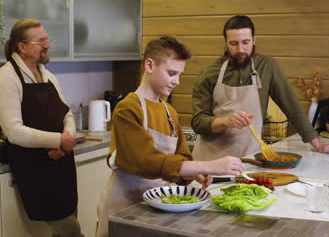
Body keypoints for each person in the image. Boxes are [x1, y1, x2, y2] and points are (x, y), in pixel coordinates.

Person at [96, 36, 244, 237]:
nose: (177, 81)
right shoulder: (127, 109)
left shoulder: (170, 112)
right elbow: (147, 161)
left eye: (180, 75)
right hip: (124, 205)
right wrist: (211, 166)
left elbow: (180, 158)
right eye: (172, 73)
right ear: (149, 65)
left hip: (158, 207)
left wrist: (192, 174)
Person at [191, 15, 329, 160]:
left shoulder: (266, 66)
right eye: (233, 43)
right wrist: (226, 122)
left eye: (245, 42)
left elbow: (291, 106)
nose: (240, 50)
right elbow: (198, 122)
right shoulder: (209, 73)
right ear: (225, 42)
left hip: (249, 159)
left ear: (254, 40)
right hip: (210, 161)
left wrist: (318, 145)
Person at [0, 19, 84, 237]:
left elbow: (66, 113)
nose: (47, 45)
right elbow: (14, 132)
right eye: (41, 41)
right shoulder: (6, 78)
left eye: (47, 39)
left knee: (66, 225)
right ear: (22, 47)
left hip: (62, 163)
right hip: (35, 168)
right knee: (71, 230)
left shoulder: (48, 75)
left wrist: (67, 138)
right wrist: (58, 141)